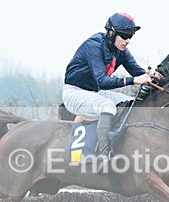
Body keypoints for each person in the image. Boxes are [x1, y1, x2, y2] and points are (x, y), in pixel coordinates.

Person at [62, 12, 159, 161]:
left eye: (130, 37)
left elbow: (138, 72)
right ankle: (103, 155)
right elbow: (102, 81)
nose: (128, 41)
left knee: (132, 103)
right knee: (108, 107)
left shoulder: (122, 51)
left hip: (94, 93)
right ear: (111, 33)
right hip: (74, 93)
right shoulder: (93, 46)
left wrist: (155, 77)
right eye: (124, 36)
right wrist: (134, 80)